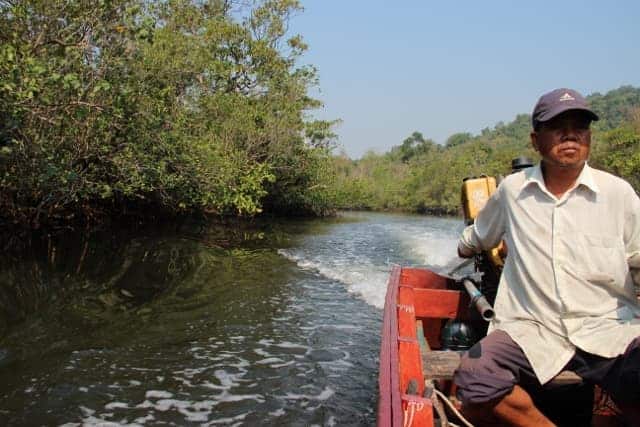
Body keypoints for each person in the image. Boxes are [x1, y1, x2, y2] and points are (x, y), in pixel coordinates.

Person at [454, 88, 640, 426]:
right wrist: (464, 246)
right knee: (475, 373)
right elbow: (477, 236)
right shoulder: (512, 191)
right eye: (557, 126)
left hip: (607, 327)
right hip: (532, 329)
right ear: (535, 139)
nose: (570, 134)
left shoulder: (619, 194)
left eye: (580, 126)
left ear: (589, 137)